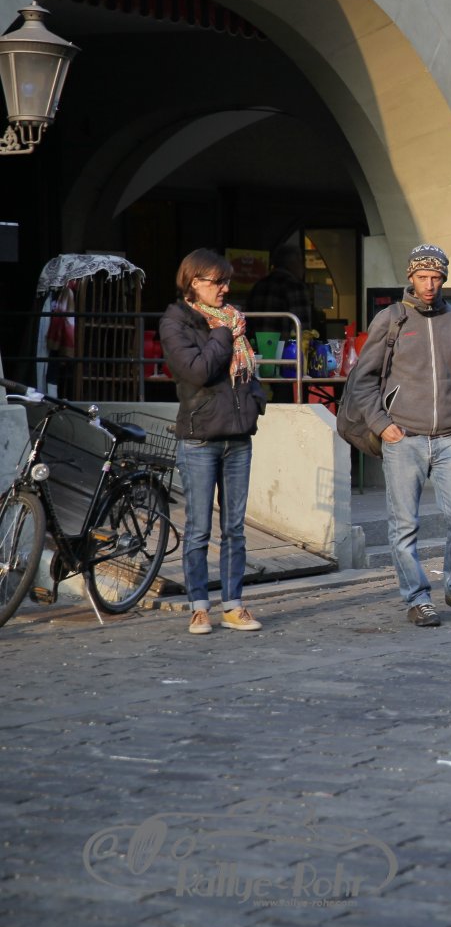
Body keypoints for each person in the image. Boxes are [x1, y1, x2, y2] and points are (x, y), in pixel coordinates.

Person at [347, 244, 451, 627]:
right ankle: (416, 598)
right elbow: (363, 381)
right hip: (402, 437)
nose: (429, 284)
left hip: (448, 437)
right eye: (423, 277)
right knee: (404, 524)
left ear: (443, 279)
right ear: (411, 276)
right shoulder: (390, 319)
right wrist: (381, 424)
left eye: (436, 278)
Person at [159, 248, 269, 636]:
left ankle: (234, 605)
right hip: (200, 439)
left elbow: (247, 372)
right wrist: (223, 333)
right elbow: (198, 371)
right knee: (199, 529)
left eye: (227, 282)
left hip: (238, 437)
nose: (225, 289)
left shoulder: (233, 319)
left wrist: (255, 401)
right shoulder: (176, 322)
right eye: (217, 282)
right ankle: (199, 607)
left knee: (235, 528)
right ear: (194, 283)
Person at [245, 240, 321, 339]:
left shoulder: (259, 285)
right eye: (301, 261)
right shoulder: (295, 286)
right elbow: (303, 330)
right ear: (293, 262)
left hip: (256, 346)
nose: (303, 267)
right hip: (284, 346)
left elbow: (247, 323)